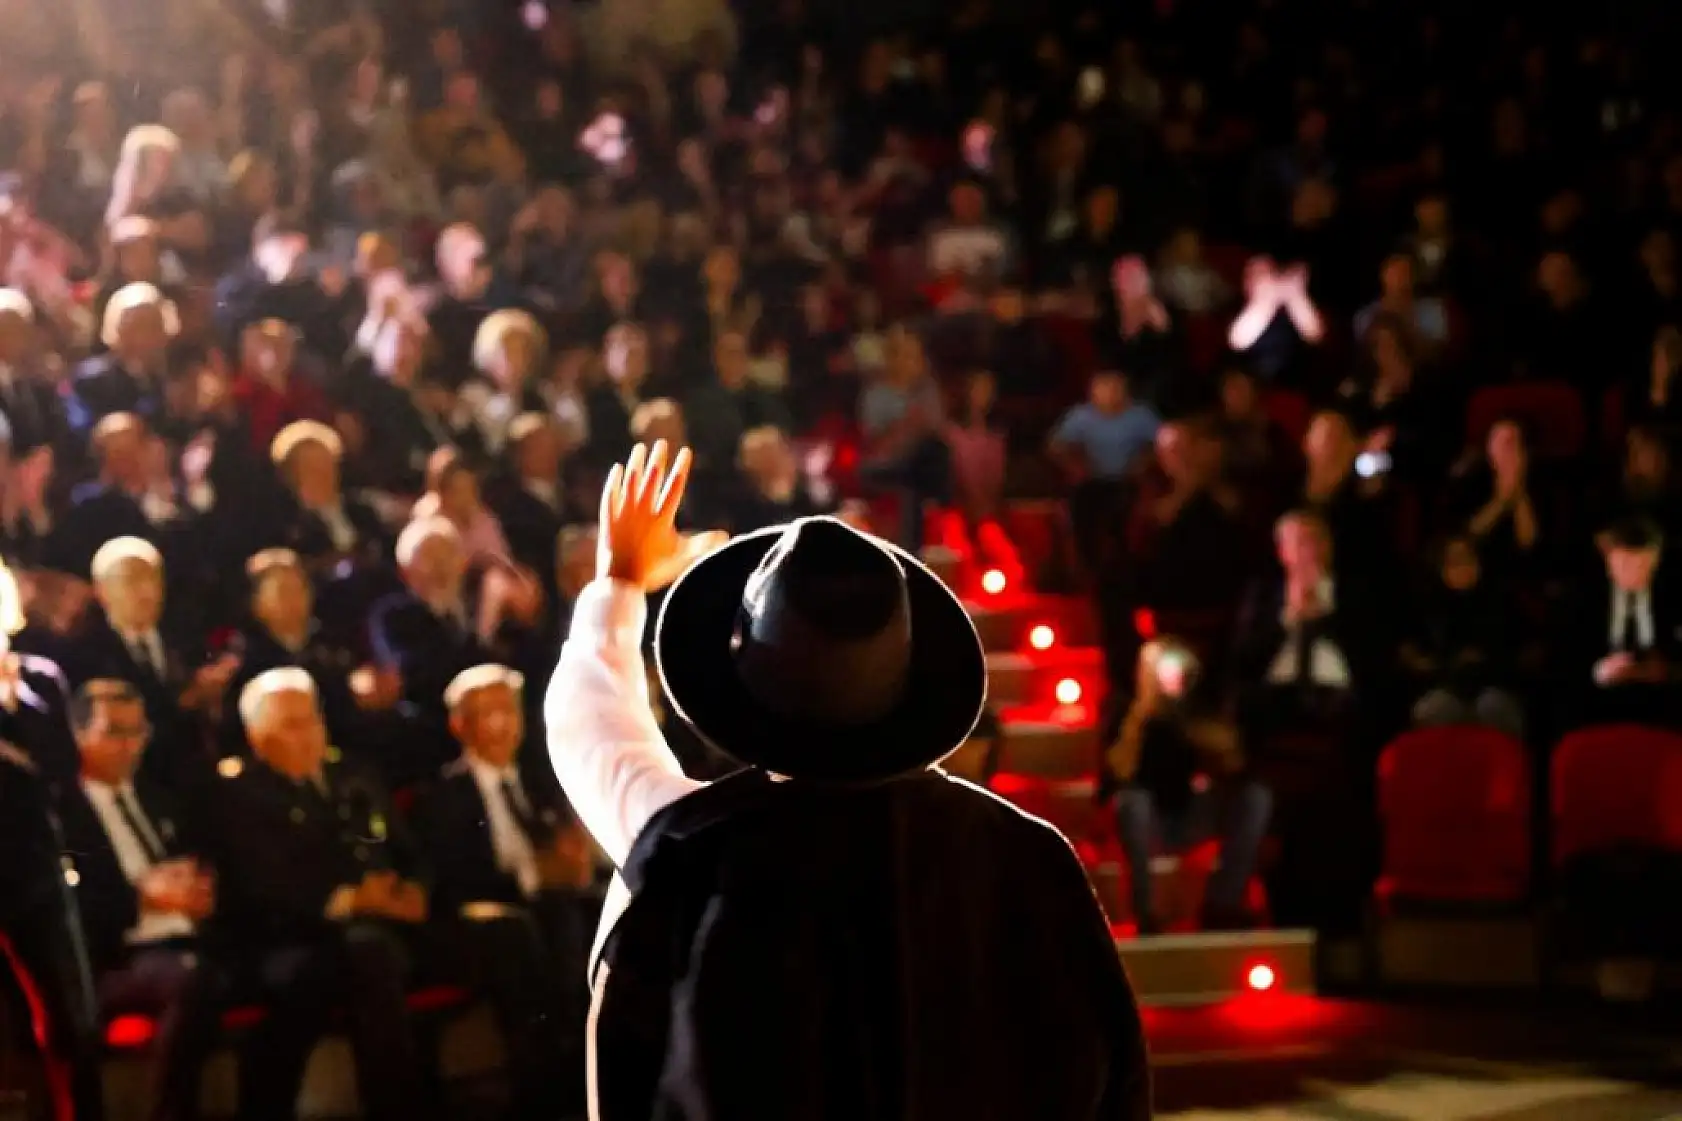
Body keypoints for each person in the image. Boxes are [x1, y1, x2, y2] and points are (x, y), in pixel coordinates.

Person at [545, 440, 1149, 1121]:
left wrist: (618, 582)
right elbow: (1114, 1075)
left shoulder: (695, 850)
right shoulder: (1027, 855)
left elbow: (594, 731)